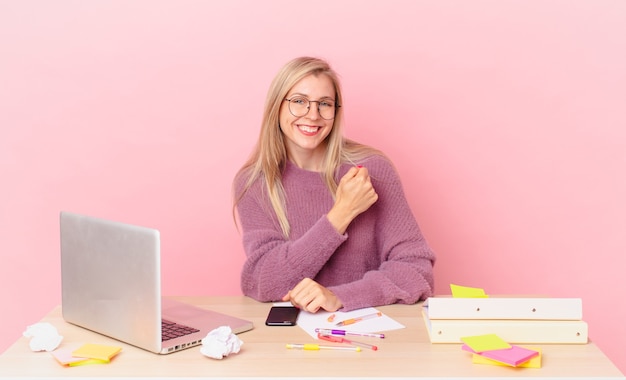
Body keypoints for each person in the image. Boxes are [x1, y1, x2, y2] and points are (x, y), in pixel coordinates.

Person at [232, 56, 435, 313]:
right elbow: (264, 281)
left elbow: (417, 270)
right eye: (299, 102)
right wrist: (342, 213)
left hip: (370, 335)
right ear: (277, 106)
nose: (313, 115)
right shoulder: (255, 184)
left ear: (336, 111)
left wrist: (339, 297)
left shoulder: (371, 171)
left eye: (324, 104)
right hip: (290, 341)